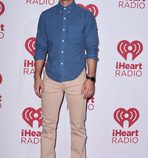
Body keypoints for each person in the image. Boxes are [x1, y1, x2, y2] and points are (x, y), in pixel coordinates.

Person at [34, 0, 99, 157]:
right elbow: (41, 48)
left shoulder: (86, 16)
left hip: (77, 78)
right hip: (50, 78)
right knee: (48, 128)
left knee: (78, 128)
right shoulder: (46, 16)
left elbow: (91, 49)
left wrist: (90, 78)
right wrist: (37, 76)